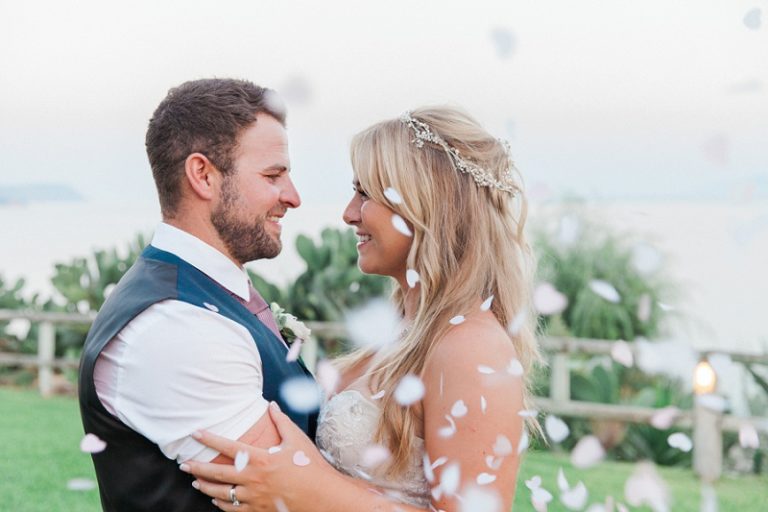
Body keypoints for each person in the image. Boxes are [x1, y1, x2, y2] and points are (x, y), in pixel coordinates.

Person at [182, 106, 542, 511]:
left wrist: (309, 492)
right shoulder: (406, 334)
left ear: (426, 205)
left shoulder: (472, 347)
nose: (349, 213)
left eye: (365, 193)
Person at [78, 78, 317, 511]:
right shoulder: (169, 325)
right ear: (203, 175)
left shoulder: (207, 292)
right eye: (273, 175)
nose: (293, 197)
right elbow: (297, 500)